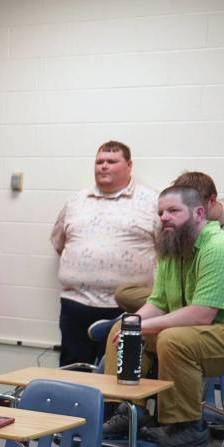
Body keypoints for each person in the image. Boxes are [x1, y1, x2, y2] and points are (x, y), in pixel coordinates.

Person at [102, 185, 224, 447]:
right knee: (121, 329)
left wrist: (142, 327)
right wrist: (131, 324)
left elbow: (202, 314)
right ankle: (129, 411)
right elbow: (157, 303)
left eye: (173, 211)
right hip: (204, 335)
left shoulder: (221, 249)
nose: (164, 217)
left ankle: (188, 425)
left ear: (199, 213)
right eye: (160, 212)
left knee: (173, 339)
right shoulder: (172, 247)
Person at [51, 141, 159, 366]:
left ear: (129, 165)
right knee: (72, 369)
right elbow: (59, 243)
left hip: (126, 307)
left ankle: (112, 405)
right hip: (76, 304)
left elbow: (167, 252)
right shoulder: (76, 200)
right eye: (99, 161)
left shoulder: (151, 202)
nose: (104, 166)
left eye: (111, 161)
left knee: (117, 373)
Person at [114, 171, 224, 312]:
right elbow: (165, 276)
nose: (165, 216)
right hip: (179, 294)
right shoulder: (177, 225)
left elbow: (222, 287)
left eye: (177, 208)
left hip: (213, 299)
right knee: (125, 292)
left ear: (211, 202)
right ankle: (144, 318)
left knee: (176, 327)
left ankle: (152, 319)